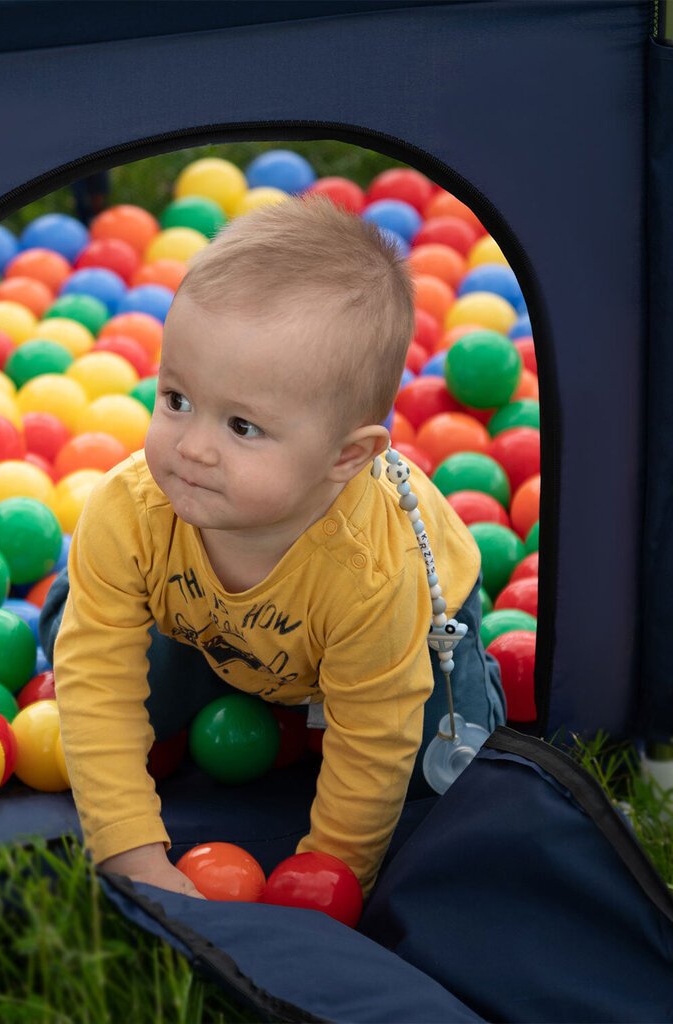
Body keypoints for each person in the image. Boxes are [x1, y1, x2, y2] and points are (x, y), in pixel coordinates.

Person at [41, 193, 505, 901]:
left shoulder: (373, 575)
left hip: (415, 631)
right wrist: (131, 854)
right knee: (84, 662)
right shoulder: (130, 511)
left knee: (445, 766)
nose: (192, 448)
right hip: (222, 629)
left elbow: (372, 744)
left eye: (243, 427)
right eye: (176, 400)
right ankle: (226, 675)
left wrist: (329, 875)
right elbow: (99, 689)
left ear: (345, 458)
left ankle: (469, 683)